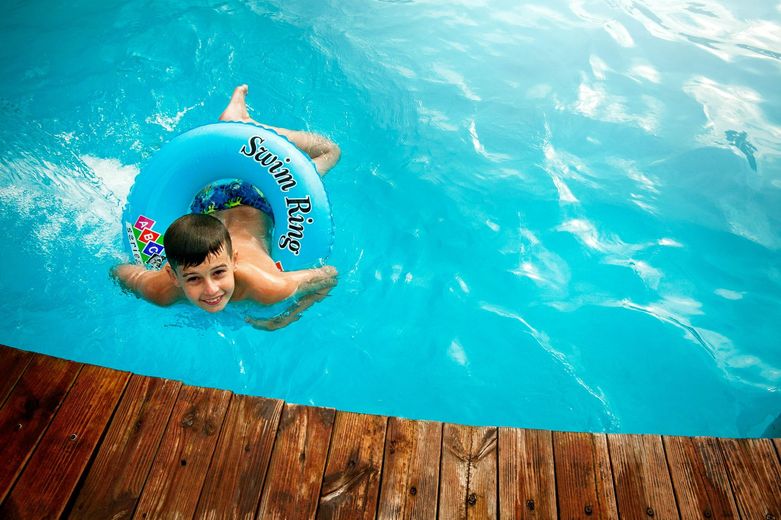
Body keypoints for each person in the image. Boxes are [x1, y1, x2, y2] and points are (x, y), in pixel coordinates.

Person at [113, 85, 340, 330]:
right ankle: (237, 125)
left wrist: (286, 317)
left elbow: (328, 276)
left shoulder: (268, 286)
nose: (211, 289)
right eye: (193, 278)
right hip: (206, 205)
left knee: (330, 151)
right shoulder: (160, 290)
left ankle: (247, 125)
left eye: (219, 273)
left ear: (234, 261)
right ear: (172, 276)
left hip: (258, 201)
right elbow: (120, 272)